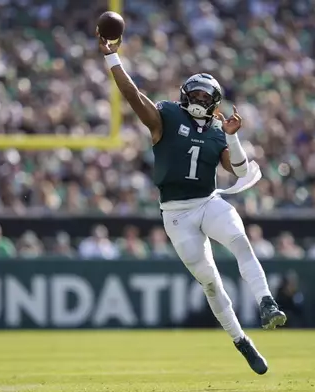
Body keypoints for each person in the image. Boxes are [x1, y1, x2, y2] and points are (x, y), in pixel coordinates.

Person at [98, 34, 286, 375]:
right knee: (211, 281)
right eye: (196, 93)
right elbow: (132, 95)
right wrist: (113, 59)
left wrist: (233, 136)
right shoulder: (166, 117)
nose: (200, 99)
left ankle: (266, 301)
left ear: (214, 102)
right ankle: (241, 340)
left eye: (206, 96)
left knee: (241, 242)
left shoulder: (218, 131)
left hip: (208, 201)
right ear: (185, 94)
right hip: (177, 215)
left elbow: (240, 170)